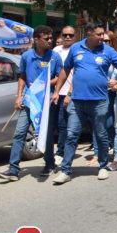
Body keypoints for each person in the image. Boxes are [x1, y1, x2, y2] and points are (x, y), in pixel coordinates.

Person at [51, 23, 117, 184]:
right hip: (77, 101)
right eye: (98, 34)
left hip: (99, 102)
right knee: (71, 135)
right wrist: (57, 91)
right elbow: (65, 70)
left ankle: (103, 166)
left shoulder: (107, 51)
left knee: (101, 134)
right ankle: (66, 170)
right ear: (89, 34)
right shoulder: (76, 49)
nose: (102, 37)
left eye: (103, 34)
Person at [0, 26, 62, 181]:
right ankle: (13, 170)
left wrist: (45, 86)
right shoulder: (26, 56)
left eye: (51, 38)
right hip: (28, 100)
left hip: (45, 102)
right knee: (19, 133)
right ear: (37, 39)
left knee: (44, 134)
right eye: (46, 38)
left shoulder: (55, 57)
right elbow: (22, 77)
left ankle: (49, 163)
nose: (50, 41)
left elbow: (60, 77)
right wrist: (19, 96)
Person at [50, 25, 75, 167]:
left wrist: (69, 94)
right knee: (60, 124)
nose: (67, 37)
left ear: (75, 36)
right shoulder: (56, 51)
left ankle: (61, 152)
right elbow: (54, 72)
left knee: (68, 124)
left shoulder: (77, 50)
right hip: (58, 93)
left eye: (70, 35)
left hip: (72, 93)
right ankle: (61, 151)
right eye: (65, 35)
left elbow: (76, 74)